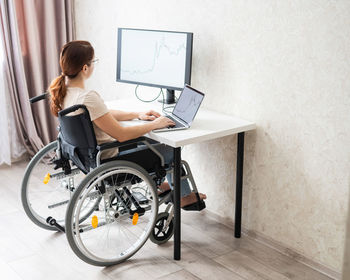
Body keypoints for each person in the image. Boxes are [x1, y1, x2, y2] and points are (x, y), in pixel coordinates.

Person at [48, 40, 206, 208]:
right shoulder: (88, 97)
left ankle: (161, 185)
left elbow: (102, 114)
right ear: (85, 68)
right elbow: (122, 135)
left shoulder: (64, 92)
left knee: (153, 143)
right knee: (169, 149)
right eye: (94, 61)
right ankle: (183, 198)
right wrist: (155, 124)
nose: (94, 65)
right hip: (110, 159)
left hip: (88, 158)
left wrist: (137, 115)